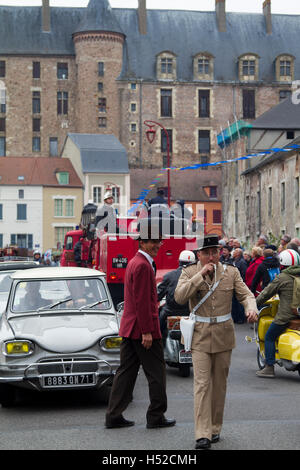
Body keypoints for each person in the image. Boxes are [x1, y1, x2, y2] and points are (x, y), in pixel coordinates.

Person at [174, 235, 257, 449]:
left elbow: (246, 294)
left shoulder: (231, 272)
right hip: (200, 335)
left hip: (224, 334)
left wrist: (251, 308)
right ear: (199, 254)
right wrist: (200, 275)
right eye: (207, 253)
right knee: (202, 384)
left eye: (214, 252)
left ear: (219, 252)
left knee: (219, 384)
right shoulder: (189, 271)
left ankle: (214, 428)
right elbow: (179, 297)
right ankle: (202, 434)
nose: (211, 256)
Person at [105, 220, 176, 430]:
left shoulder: (136, 262)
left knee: (125, 372)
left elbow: (138, 301)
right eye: (153, 241)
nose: (157, 245)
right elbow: (144, 302)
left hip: (130, 327)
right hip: (142, 329)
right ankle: (156, 416)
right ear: (142, 243)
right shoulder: (143, 265)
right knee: (156, 373)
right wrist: (147, 331)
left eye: (159, 241)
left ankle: (114, 415)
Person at [256, 249, 300, 378]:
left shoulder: (283, 277)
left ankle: (269, 367)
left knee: (269, 336)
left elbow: (266, 293)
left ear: (282, 263)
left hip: (286, 316)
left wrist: (254, 304)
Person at [157, 250, 196, 339]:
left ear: (179, 262)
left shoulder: (169, 276)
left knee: (158, 332)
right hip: (190, 313)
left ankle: (160, 346)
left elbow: (158, 296)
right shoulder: (198, 276)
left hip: (170, 312)